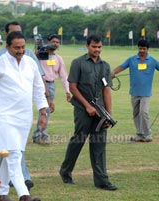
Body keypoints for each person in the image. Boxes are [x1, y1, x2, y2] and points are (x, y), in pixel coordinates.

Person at [0, 31, 47, 201]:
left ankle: (1, 193)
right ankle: (24, 195)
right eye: (16, 48)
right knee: (14, 155)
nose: (20, 51)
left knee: (9, 153)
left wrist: (43, 112)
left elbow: (38, 89)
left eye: (22, 47)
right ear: (7, 47)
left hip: (24, 118)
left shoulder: (30, 63)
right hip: (3, 118)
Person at [0, 21, 51, 190]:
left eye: (20, 34)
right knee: (13, 150)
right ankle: (23, 185)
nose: (20, 48)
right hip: (4, 114)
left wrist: (45, 105)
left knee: (13, 150)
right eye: (13, 34)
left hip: (23, 115)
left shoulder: (30, 56)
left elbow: (38, 81)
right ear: (7, 38)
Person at [59, 34, 117, 191]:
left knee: (99, 144)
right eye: (94, 47)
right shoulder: (78, 63)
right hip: (82, 109)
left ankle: (102, 180)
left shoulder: (105, 66)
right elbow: (72, 87)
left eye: (99, 47)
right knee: (78, 140)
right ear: (87, 46)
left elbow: (106, 89)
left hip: (100, 111)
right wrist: (87, 106)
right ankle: (65, 171)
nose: (97, 50)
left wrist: (108, 115)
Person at [111, 39, 159, 143]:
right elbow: (122, 66)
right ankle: (139, 134)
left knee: (144, 112)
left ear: (148, 49)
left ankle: (147, 135)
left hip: (146, 93)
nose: (142, 50)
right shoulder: (132, 59)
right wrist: (113, 72)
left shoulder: (152, 60)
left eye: (144, 49)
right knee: (136, 113)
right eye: (140, 48)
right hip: (134, 91)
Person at [32, 33, 71, 145]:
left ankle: (39, 134)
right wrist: (38, 53)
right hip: (39, 84)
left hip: (51, 85)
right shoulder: (40, 55)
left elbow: (63, 75)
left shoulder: (58, 58)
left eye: (57, 42)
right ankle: (41, 135)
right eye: (53, 41)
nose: (55, 44)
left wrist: (67, 90)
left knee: (46, 110)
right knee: (44, 109)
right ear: (47, 41)